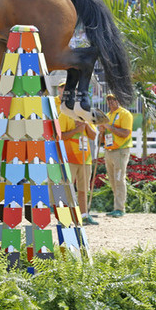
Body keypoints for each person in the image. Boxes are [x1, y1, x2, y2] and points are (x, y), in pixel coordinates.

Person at [57, 81, 98, 225]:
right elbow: (59, 136)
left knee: (83, 189)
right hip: (69, 158)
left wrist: (86, 125)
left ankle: (84, 215)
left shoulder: (85, 114)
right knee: (67, 188)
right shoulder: (64, 114)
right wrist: (76, 130)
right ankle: (66, 216)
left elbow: (93, 136)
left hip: (85, 158)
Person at [97, 93, 133, 219]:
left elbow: (125, 133)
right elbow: (102, 139)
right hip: (109, 150)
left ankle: (119, 208)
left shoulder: (125, 114)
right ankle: (116, 206)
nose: (111, 102)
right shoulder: (107, 116)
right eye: (109, 100)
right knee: (112, 180)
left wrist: (109, 127)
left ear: (119, 100)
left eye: (114, 99)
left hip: (121, 150)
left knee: (119, 178)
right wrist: (101, 132)